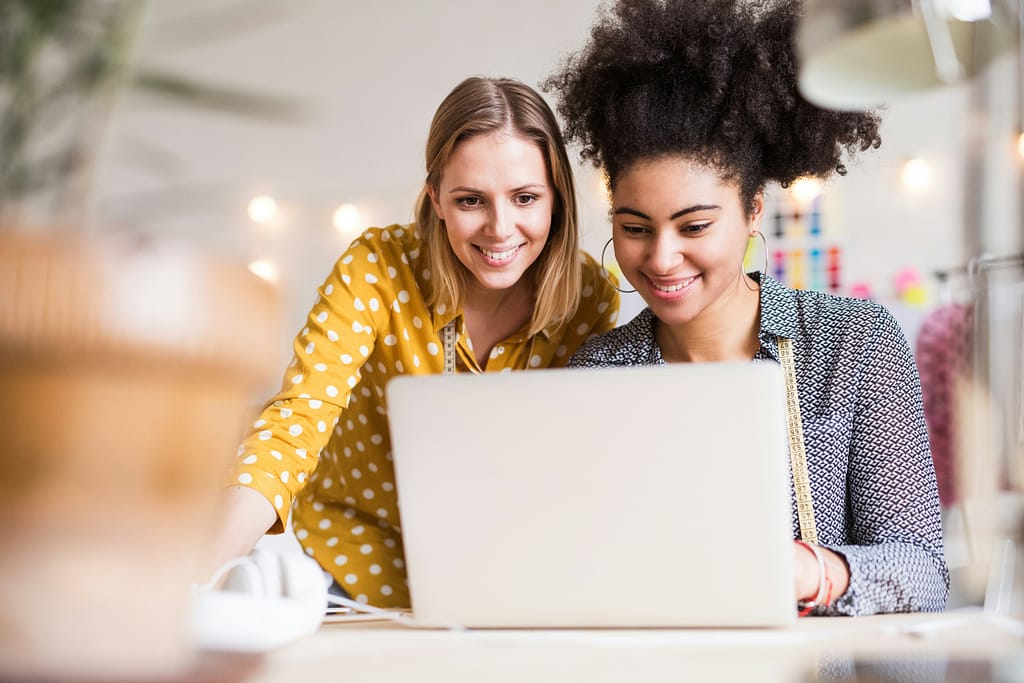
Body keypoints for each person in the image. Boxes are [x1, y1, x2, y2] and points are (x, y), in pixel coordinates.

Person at [545, 0, 948, 616]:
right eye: (634, 227)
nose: (661, 257)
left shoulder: (851, 343)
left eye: (694, 225)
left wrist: (817, 573)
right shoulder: (598, 372)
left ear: (753, 209)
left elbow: (922, 570)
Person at [208, 76, 621, 608]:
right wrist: (198, 577)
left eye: (524, 198)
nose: (500, 228)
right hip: (344, 575)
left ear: (556, 199)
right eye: (471, 200)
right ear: (436, 199)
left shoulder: (590, 298)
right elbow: (295, 423)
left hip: (505, 586)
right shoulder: (378, 268)